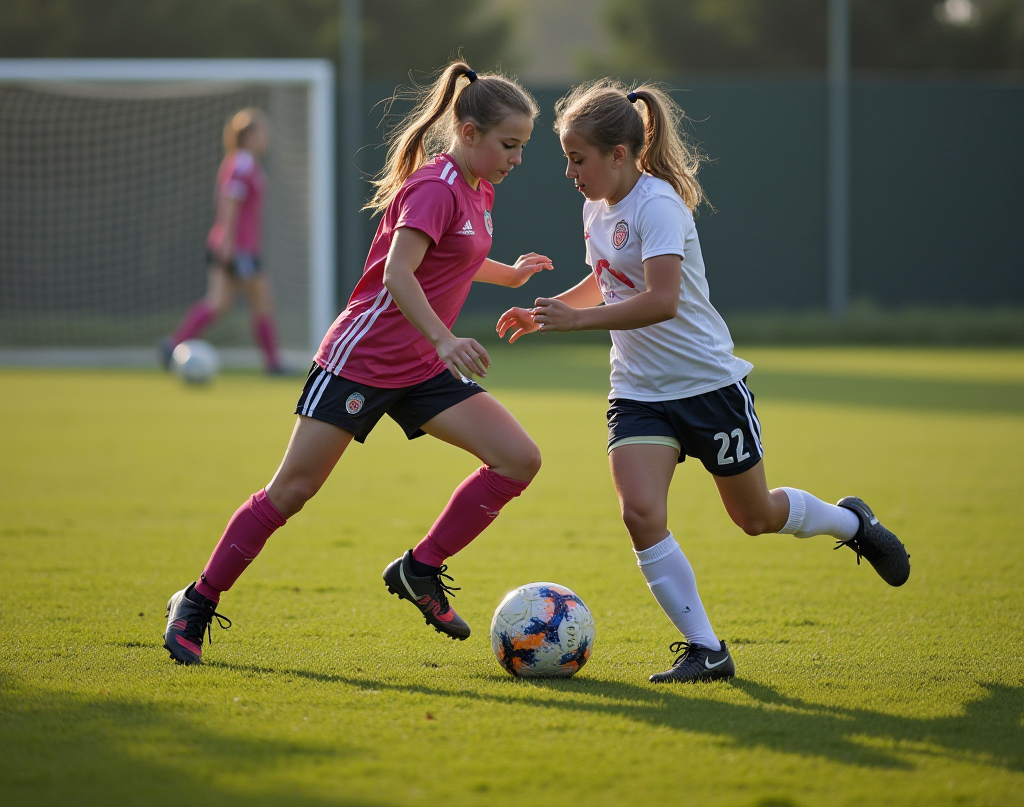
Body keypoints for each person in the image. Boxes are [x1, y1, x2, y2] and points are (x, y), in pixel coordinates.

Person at [497, 80, 910, 684]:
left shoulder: (659, 205)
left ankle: (854, 524)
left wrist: (578, 322)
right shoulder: (596, 205)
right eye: (568, 159)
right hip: (638, 392)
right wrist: (547, 310)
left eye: (576, 159)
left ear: (619, 154)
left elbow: (661, 300)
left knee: (756, 518)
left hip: (707, 387)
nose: (569, 172)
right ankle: (707, 649)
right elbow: (607, 277)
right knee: (640, 513)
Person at [163, 62, 553, 665]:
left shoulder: (479, 187)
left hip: (421, 366)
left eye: (522, 147)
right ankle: (196, 601)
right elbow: (398, 274)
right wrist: (448, 341)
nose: (517, 158)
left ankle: (421, 569)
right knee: (291, 492)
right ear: (469, 132)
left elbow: (458, 257)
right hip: (361, 362)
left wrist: (511, 275)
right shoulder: (434, 186)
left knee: (518, 460)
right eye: (510, 145)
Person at [160, 107, 285, 374]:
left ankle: (172, 345)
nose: (266, 138)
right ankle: (274, 363)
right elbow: (230, 203)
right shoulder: (242, 163)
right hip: (239, 248)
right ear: (249, 135)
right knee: (262, 300)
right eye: (263, 132)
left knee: (218, 303)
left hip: (234, 245)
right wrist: (227, 243)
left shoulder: (242, 161)